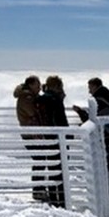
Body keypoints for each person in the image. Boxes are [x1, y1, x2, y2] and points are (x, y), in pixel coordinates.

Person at [72, 77, 109, 194]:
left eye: (90, 88)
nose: (89, 91)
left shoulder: (98, 101)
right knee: (105, 162)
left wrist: (80, 112)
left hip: (106, 136)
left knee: (104, 162)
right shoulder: (106, 98)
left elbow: (93, 120)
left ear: (95, 86)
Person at [34, 75, 68, 208]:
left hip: (46, 138)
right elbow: (60, 119)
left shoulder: (42, 99)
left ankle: (54, 200)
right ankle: (62, 202)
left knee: (52, 169)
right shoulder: (54, 100)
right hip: (57, 138)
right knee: (60, 171)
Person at [13, 75, 48, 202]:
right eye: (37, 85)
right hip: (32, 134)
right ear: (31, 84)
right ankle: (38, 190)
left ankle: (39, 189)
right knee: (40, 159)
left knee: (40, 159)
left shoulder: (27, 96)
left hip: (31, 133)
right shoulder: (26, 98)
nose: (39, 87)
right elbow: (33, 112)